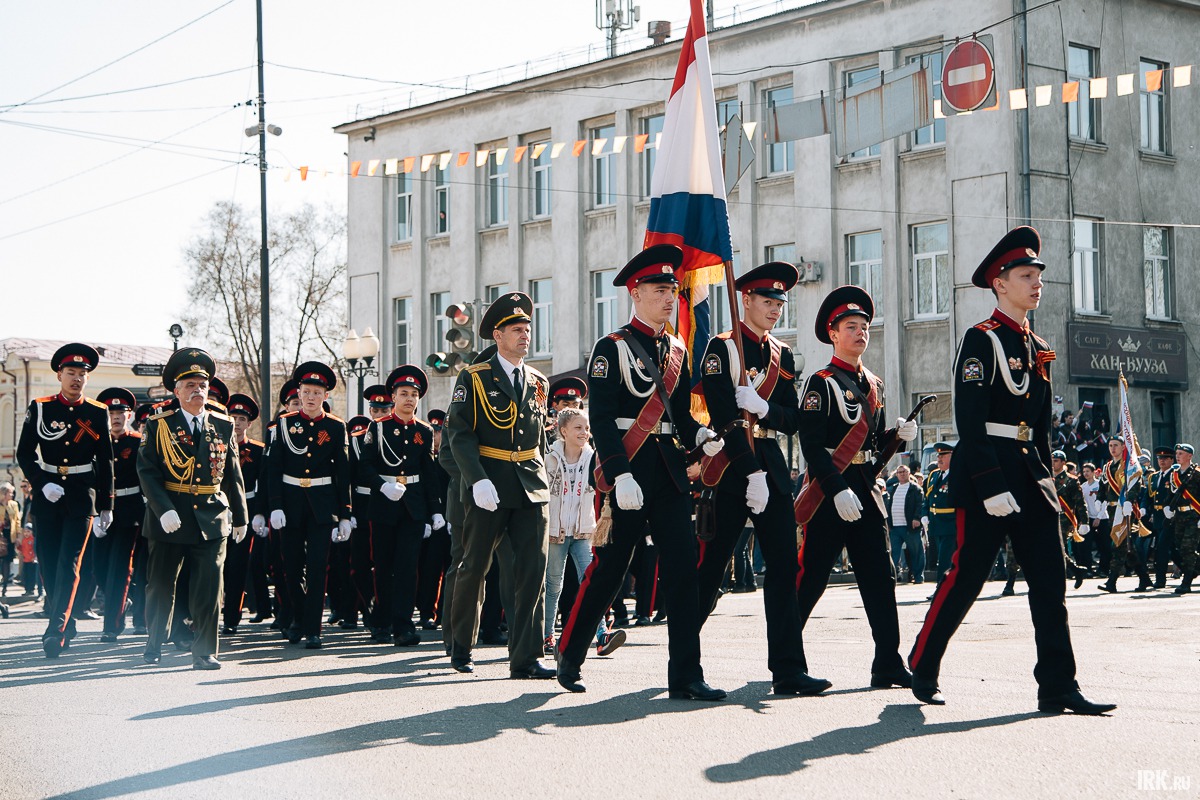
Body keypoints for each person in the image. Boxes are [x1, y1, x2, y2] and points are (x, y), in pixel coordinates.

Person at [908, 226, 1114, 714]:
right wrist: (991, 485)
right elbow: (971, 421)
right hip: (988, 475)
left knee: (1049, 581)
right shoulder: (981, 341)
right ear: (1000, 284)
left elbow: (1038, 430)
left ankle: (1059, 686)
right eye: (1026, 275)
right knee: (965, 578)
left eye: (1038, 274)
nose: (1036, 283)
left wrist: (1048, 487)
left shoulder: (1037, 346)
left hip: (1029, 475)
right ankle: (923, 664)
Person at [557, 245, 727, 699]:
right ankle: (570, 654)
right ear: (635, 293)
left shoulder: (675, 348)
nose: (669, 297)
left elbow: (681, 418)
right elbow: (604, 417)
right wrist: (618, 473)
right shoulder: (609, 349)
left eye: (672, 289)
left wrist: (702, 436)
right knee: (610, 569)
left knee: (681, 573)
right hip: (629, 471)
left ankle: (686, 676)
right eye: (659, 289)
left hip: (669, 474)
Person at [695, 260, 825, 696]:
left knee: (785, 568)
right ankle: (684, 662)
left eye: (779, 303)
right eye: (767, 301)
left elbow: (795, 419)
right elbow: (722, 414)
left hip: (769, 461)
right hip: (734, 465)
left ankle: (788, 669)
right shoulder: (722, 348)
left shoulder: (783, 355)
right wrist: (750, 472)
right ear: (745, 300)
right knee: (711, 568)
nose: (775, 309)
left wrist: (766, 407)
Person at [793, 285, 915, 692]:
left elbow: (875, 451)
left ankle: (888, 663)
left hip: (865, 491)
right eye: (851, 326)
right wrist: (835, 487)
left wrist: (898, 437)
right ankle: (788, 662)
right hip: (831, 495)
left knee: (881, 577)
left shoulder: (874, 384)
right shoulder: (821, 382)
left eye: (864, 325)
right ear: (833, 333)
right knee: (811, 577)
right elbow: (810, 444)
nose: (861, 332)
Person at [445, 293, 555, 679]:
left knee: (532, 572)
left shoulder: (539, 381)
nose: (525, 336)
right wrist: (475, 480)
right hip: (489, 485)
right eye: (516, 330)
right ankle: (461, 645)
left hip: (530, 485)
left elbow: (538, 438)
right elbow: (459, 435)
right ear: (498, 334)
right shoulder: (474, 377)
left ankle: (526, 656)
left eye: (527, 329)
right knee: (474, 567)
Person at [138, 348, 248, 669]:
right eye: (189, 385)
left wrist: (239, 516)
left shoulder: (223, 425)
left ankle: (204, 651)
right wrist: (163, 509)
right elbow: (147, 471)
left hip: (211, 516)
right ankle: (155, 642)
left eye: (202, 384)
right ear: (176, 390)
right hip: (170, 516)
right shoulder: (159, 426)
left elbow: (233, 474)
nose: (198, 390)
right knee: (160, 584)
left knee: (210, 586)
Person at [16, 343, 115, 657]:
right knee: (47, 561)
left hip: (80, 495)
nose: (76, 378)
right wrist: (41, 482)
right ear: (59, 374)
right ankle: (67, 618)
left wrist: (106, 506)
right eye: (70, 372)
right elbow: (24, 452)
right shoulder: (41, 406)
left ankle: (55, 629)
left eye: (82, 374)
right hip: (47, 495)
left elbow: (107, 460)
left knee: (69, 563)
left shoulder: (97, 412)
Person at [267, 363, 352, 649]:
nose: (311, 397)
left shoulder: (336, 426)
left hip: (322, 504)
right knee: (291, 567)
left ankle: (312, 628)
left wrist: (345, 514)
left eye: (317, 392)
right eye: (306, 392)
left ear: (325, 395)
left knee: (318, 567)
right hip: (290, 503)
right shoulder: (283, 424)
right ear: (299, 394)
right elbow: (273, 468)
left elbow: (343, 472)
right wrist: (275, 505)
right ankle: (298, 618)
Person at [357, 365, 443, 646]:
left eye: (414, 394)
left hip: (414, 506)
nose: (409, 398)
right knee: (383, 566)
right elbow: (365, 466)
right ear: (393, 397)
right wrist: (382, 485)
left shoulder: (425, 431)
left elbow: (429, 473)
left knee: (408, 567)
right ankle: (381, 622)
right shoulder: (378, 428)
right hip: (384, 503)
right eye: (403, 393)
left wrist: (436, 511)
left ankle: (403, 625)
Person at [542, 408, 621, 657]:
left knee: (590, 582)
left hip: (584, 531)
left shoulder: (594, 458)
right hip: (555, 531)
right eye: (578, 428)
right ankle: (547, 636)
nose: (584, 432)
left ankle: (601, 636)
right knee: (553, 585)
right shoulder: (549, 458)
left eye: (586, 428)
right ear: (563, 431)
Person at [92, 388, 144, 641]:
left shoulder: (137, 442)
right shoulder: (94, 441)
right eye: (111, 413)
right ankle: (120, 601)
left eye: (120, 413)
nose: (115, 417)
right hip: (101, 509)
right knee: (97, 566)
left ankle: (111, 626)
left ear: (130, 415)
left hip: (129, 510)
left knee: (119, 570)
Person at [220, 394, 266, 634]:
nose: (236, 423)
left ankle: (231, 619)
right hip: (217, 511)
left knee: (237, 566)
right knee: (215, 566)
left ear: (249, 424)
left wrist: (259, 514)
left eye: (241, 419)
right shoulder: (215, 445)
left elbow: (263, 486)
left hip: (245, 512)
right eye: (232, 417)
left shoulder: (258, 451)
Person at [415, 409, 451, 630]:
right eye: (433, 431)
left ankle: (443, 613)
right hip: (428, 520)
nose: (435, 436)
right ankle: (426, 611)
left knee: (448, 568)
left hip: (448, 521)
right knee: (427, 569)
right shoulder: (424, 457)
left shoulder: (449, 458)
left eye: (438, 431)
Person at [1098, 436, 1145, 593]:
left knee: (1119, 545)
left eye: (1116, 445)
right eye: (1110, 445)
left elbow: (1135, 485)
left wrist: (1129, 501)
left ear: (1123, 447)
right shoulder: (1108, 466)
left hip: (1125, 509)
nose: (1113, 448)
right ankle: (1144, 578)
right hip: (1112, 511)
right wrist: (1100, 500)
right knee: (1126, 547)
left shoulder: (1128, 466)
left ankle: (1111, 582)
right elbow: (1102, 486)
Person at [1050, 450, 1089, 591]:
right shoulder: (1047, 478)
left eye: (1056, 460)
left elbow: (1080, 502)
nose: (1053, 463)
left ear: (1063, 462)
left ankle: (1061, 577)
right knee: (1055, 549)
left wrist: (1084, 521)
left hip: (1065, 519)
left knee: (1057, 547)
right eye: (1052, 460)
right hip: (1050, 518)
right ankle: (1076, 570)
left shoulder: (1071, 480)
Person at [922, 442, 956, 595]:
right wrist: (924, 514)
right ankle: (946, 587)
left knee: (944, 559)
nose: (939, 459)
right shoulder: (934, 475)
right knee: (939, 559)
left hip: (950, 524)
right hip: (935, 524)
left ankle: (941, 589)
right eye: (938, 455)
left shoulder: (958, 475)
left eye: (943, 455)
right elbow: (927, 499)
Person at [1164, 443, 1199, 594]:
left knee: (1187, 548)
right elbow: (1171, 494)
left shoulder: (1197, 474)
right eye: (1177, 453)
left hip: (1193, 515)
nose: (1177, 456)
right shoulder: (1174, 474)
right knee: (1179, 546)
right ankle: (1195, 569)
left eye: (1181, 453)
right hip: (1179, 516)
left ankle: (1186, 582)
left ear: (1189, 456)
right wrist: (1167, 506)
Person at [886, 465, 925, 584]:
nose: (902, 474)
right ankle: (891, 578)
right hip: (895, 527)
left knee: (916, 552)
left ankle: (918, 577)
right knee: (893, 553)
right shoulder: (893, 488)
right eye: (899, 472)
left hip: (910, 527)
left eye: (904, 472)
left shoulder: (916, 489)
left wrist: (917, 518)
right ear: (896, 474)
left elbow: (920, 505)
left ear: (909, 473)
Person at [1145, 447, 1176, 589]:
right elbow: (1148, 495)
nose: (1161, 461)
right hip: (1157, 517)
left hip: (1170, 517)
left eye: (1165, 458)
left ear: (1171, 460)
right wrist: (1144, 507)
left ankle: (1160, 579)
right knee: (1173, 550)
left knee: (1161, 548)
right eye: (1159, 458)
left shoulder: (1175, 476)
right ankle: (1192, 570)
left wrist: (1172, 509)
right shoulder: (1154, 477)